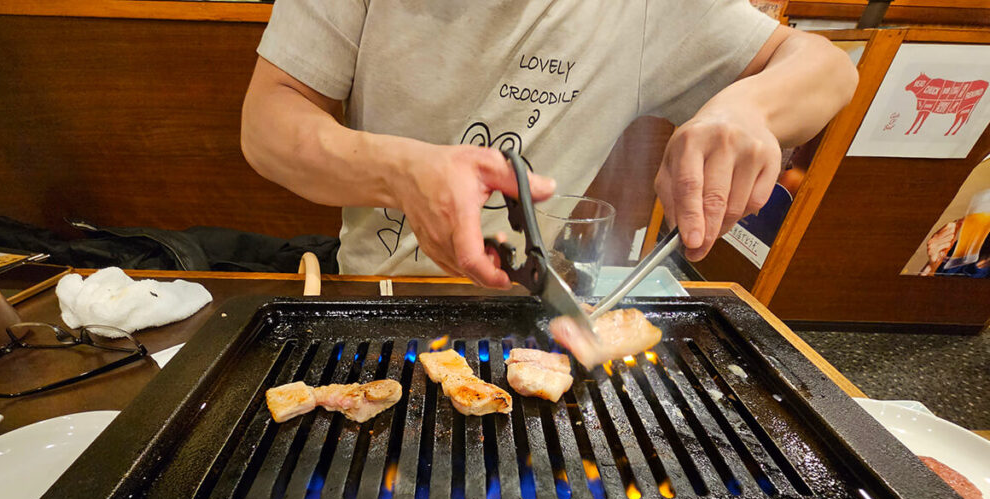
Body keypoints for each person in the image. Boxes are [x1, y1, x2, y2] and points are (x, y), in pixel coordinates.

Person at [241, 1, 857, 288]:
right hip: (372, 293)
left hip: (527, 309)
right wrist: (401, 170)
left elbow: (828, 68)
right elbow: (268, 122)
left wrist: (747, 107)